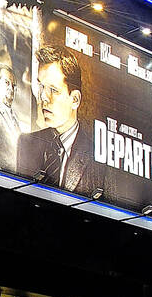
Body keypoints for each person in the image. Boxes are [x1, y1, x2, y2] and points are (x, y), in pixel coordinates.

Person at [16, 46, 104, 196]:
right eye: (41, 86)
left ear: (75, 99)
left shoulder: (99, 158)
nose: (43, 97)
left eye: (53, 90)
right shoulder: (26, 143)